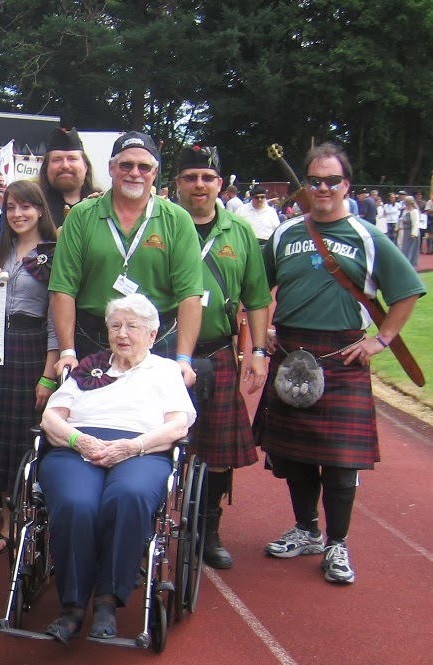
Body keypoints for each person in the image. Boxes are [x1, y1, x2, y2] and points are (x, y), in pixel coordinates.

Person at [256, 143, 425, 585]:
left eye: (332, 181)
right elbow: (257, 289)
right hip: (291, 355)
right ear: (307, 185)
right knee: (292, 457)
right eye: (315, 181)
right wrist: (263, 333)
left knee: (339, 462)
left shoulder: (367, 235)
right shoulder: (286, 233)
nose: (323, 188)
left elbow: (406, 291)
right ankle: (307, 530)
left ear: (347, 185)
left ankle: (337, 543)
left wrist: (381, 340)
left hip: (342, 357)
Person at [38, 294, 196, 642]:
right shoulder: (88, 367)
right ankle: (73, 607)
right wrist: (81, 441)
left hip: (141, 450)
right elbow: (51, 416)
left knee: (128, 496)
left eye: (132, 327)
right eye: (115, 326)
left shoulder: (166, 371)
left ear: (152, 335)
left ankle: (107, 602)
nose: (122, 334)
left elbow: (177, 426)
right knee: (77, 504)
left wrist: (131, 446)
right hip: (78, 447)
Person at [174, 145, 271, 569]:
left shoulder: (240, 231)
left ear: (220, 182)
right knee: (154, 443)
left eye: (207, 178)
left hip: (216, 352)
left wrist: (260, 351)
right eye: (191, 177)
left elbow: (258, 298)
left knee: (215, 451)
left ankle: (207, 530)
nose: (200, 185)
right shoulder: (157, 223)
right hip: (161, 353)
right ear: (176, 183)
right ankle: (149, 526)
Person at [49, 131, 203, 387]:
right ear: (111, 168)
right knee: (93, 420)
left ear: (154, 173)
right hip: (94, 335)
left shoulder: (178, 220)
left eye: (144, 167)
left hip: (156, 336)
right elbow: (62, 288)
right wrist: (67, 352)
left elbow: (190, 295)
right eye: (126, 165)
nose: (135, 173)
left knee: (155, 424)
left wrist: (184, 358)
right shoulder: (81, 215)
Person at [0, 181, 59, 553]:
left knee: (23, 439)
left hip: (31, 348)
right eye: (10, 207)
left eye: (25, 206)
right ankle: (10, 525)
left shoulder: (55, 253)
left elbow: (59, 322)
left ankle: (28, 522)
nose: (17, 214)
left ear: (40, 209)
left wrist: (48, 373)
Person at [38, 127, 94, 227]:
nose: (65, 165)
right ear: (46, 168)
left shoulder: (100, 205)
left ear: (86, 166)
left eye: (72, 159)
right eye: (57, 160)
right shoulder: (35, 206)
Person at [398, 195, 420, 267]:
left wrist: (413, 234)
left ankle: (411, 264)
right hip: (406, 231)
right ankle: (405, 263)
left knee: (411, 248)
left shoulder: (414, 211)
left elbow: (415, 223)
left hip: (412, 233)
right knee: (405, 248)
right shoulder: (405, 211)